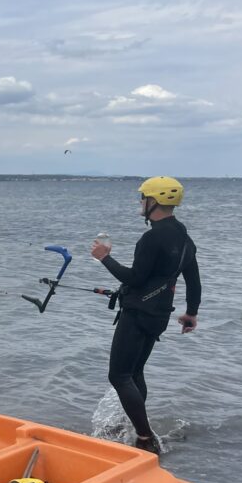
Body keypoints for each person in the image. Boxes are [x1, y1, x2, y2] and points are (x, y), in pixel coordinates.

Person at [91, 176, 202, 454]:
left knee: (119, 375)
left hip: (138, 313)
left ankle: (144, 437)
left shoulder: (152, 238)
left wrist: (104, 257)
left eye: (143, 197)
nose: (140, 202)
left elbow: (135, 278)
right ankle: (138, 428)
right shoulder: (184, 237)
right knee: (135, 371)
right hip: (159, 315)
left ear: (154, 201)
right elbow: (194, 279)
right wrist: (191, 313)